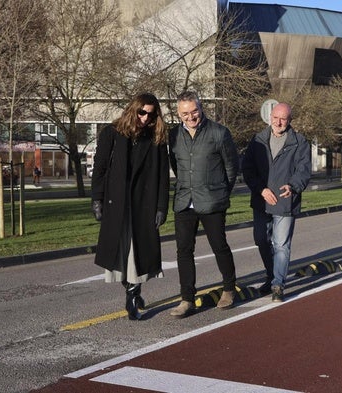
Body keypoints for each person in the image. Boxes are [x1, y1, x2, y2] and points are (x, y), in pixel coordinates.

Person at [91, 92, 169, 320]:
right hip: (116, 203)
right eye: (142, 112)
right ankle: (129, 286)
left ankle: (133, 294)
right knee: (120, 252)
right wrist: (97, 199)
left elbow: (163, 176)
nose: (145, 118)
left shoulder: (156, 139)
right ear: (133, 109)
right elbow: (100, 168)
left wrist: (161, 207)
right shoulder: (111, 133)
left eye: (150, 114)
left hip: (144, 205)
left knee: (138, 251)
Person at [168, 91, 239, 318]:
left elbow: (231, 168)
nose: (191, 117)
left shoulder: (219, 133)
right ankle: (187, 298)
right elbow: (176, 166)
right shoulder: (173, 136)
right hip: (184, 201)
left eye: (194, 111)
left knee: (219, 245)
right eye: (185, 113)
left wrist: (220, 192)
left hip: (212, 201)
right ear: (178, 114)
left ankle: (228, 289)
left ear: (201, 108)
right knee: (184, 251)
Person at [241, 102, 311, 302]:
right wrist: (261, 189)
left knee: (281, 245)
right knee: (260, 239)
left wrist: (293, 186)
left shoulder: (299, 142)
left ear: (290, 120)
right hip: (262, 200)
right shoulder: (257, 140)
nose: (279, 122)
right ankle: (271, 275)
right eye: (276, 117)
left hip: (285, 201)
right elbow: (248, 169)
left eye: (283, 119)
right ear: (270, 117)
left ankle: (278, 284)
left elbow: (304, 170)